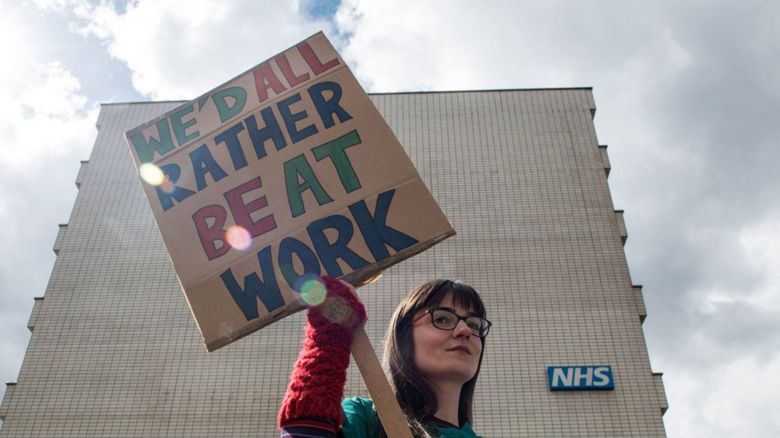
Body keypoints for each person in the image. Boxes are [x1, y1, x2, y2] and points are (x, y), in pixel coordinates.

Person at [279, 276, 491, 437]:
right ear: (403, 336)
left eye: (474, 324)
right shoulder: (364, 418)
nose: (465, 330)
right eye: (443, 319)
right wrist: (329, 337)